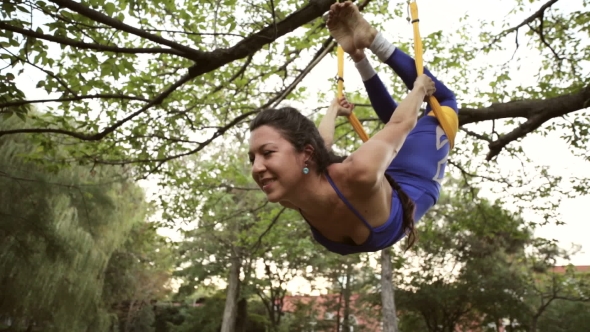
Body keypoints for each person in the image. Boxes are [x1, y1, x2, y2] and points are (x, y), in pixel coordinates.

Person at [247, 1, 458, 255]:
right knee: (396, 124)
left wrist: (420, 89)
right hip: (394, 180)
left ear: (306, 154)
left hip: (414, 176)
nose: (257, 167)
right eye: (253, 157)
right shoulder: (287, 192)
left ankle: (372, 40)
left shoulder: (359, 173)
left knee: (442, 102)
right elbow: (320, 144)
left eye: (267, 153)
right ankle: (359, 56)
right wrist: (334, 109)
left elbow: (401, 123)